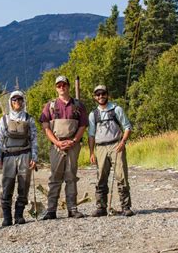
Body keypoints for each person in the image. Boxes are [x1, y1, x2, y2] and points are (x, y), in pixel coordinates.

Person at [39, 76, 88, 219]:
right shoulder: (50, 105)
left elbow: (83, 126)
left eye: (64, 85)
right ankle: (51, 210)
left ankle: (72, 209)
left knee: (71, 177)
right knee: (55, 177)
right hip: (56, 146)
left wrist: (74, 140)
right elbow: (46, 127)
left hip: (73, 145)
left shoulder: (78, 105)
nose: (62, 87)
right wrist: (56, 142)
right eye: (59, 85)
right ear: (56, 88)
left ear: (68, 86)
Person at [88, 85, 134, 217]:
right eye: (98, 94)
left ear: (107, 94)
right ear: (95, 97)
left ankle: (126, 207)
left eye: (103, 94)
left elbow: (127, 127)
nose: (101, 96)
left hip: (116, 145)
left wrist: (123, 142)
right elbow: (91, 135)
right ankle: (101, 207)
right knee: (101, 178)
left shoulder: (116, 109)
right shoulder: (93, 114)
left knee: (121, 176)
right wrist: (92, 152)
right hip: (100, 148)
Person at [0, 90, 38, 226]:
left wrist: (34, 157)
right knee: (7, 186)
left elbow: (34, 139)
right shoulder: (4, 119)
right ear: (10, 102)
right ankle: (7, 218)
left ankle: (19, 215)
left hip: (25, 154)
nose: (17, 102)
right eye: (14, 100)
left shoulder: (29, 119)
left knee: (24, 186)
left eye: (19, 100)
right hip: (8, 156)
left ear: (23, 101)